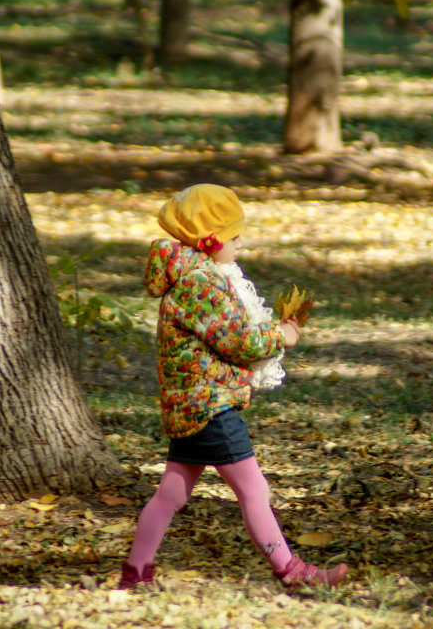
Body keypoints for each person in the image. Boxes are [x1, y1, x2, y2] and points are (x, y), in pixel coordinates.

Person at [118, 184, 349, 590]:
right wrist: (281, 336)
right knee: (254, 488)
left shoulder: (197, 278)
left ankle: (136, 573)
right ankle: (292, 572)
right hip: (210, 406)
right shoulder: (199, 285)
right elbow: (238, 341)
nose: (241, 244)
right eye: (235, 236)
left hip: (190, 406)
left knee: (171, 493)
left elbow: (228, 333)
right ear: (210, 241)